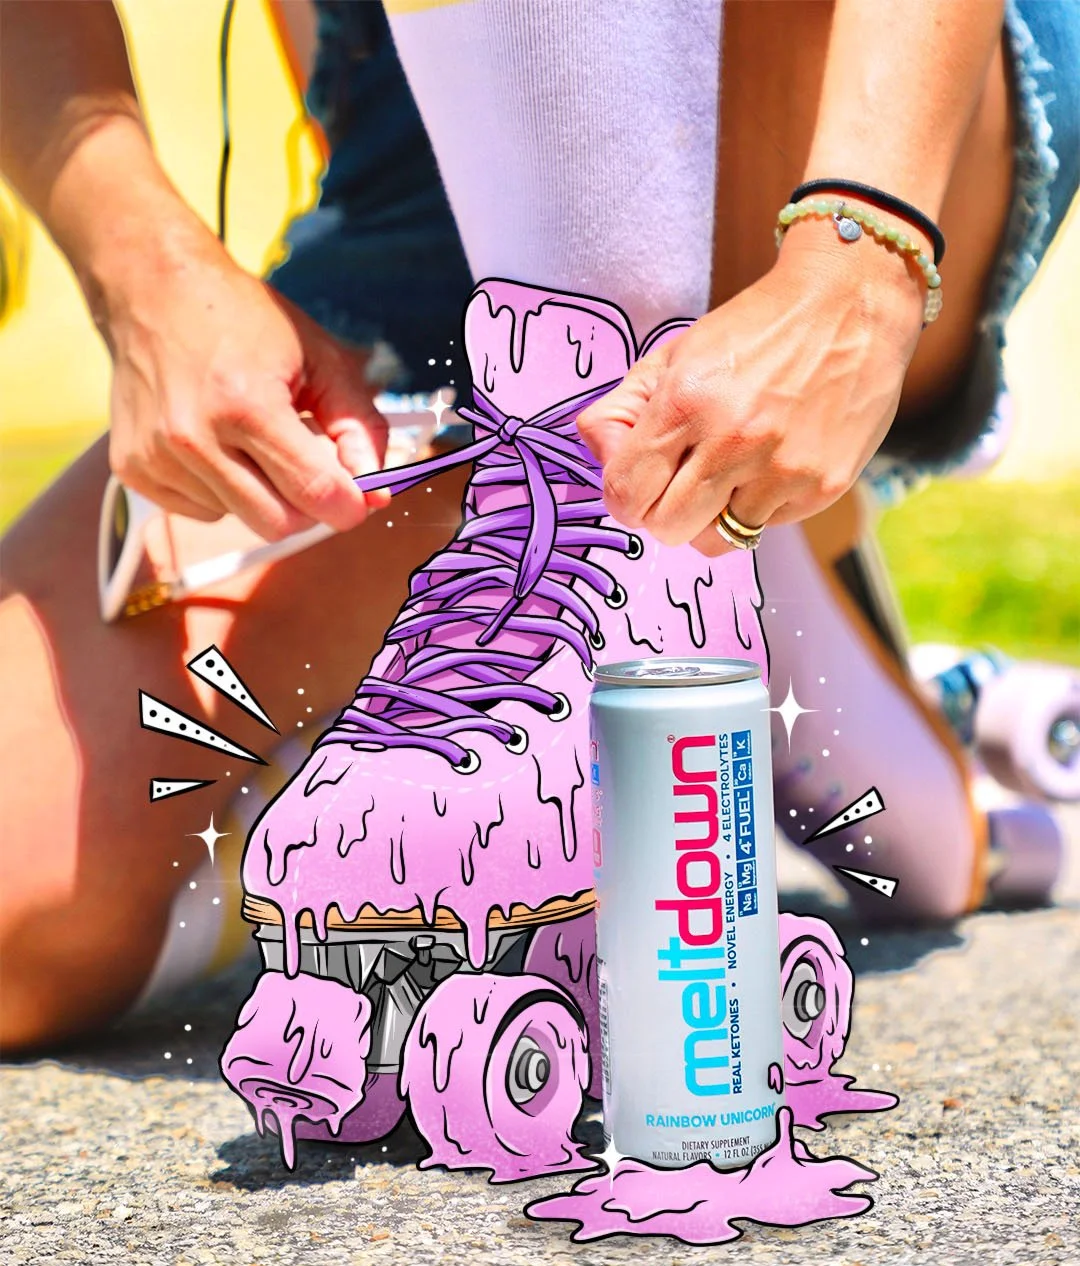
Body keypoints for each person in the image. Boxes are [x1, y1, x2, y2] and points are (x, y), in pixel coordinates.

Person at [1, 0, 1076, 1053]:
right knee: (18, 926)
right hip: (421, 184)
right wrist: (147, 278)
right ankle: (676, 563)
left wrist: (860, 266)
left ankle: (663, 571)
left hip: (861, 125)